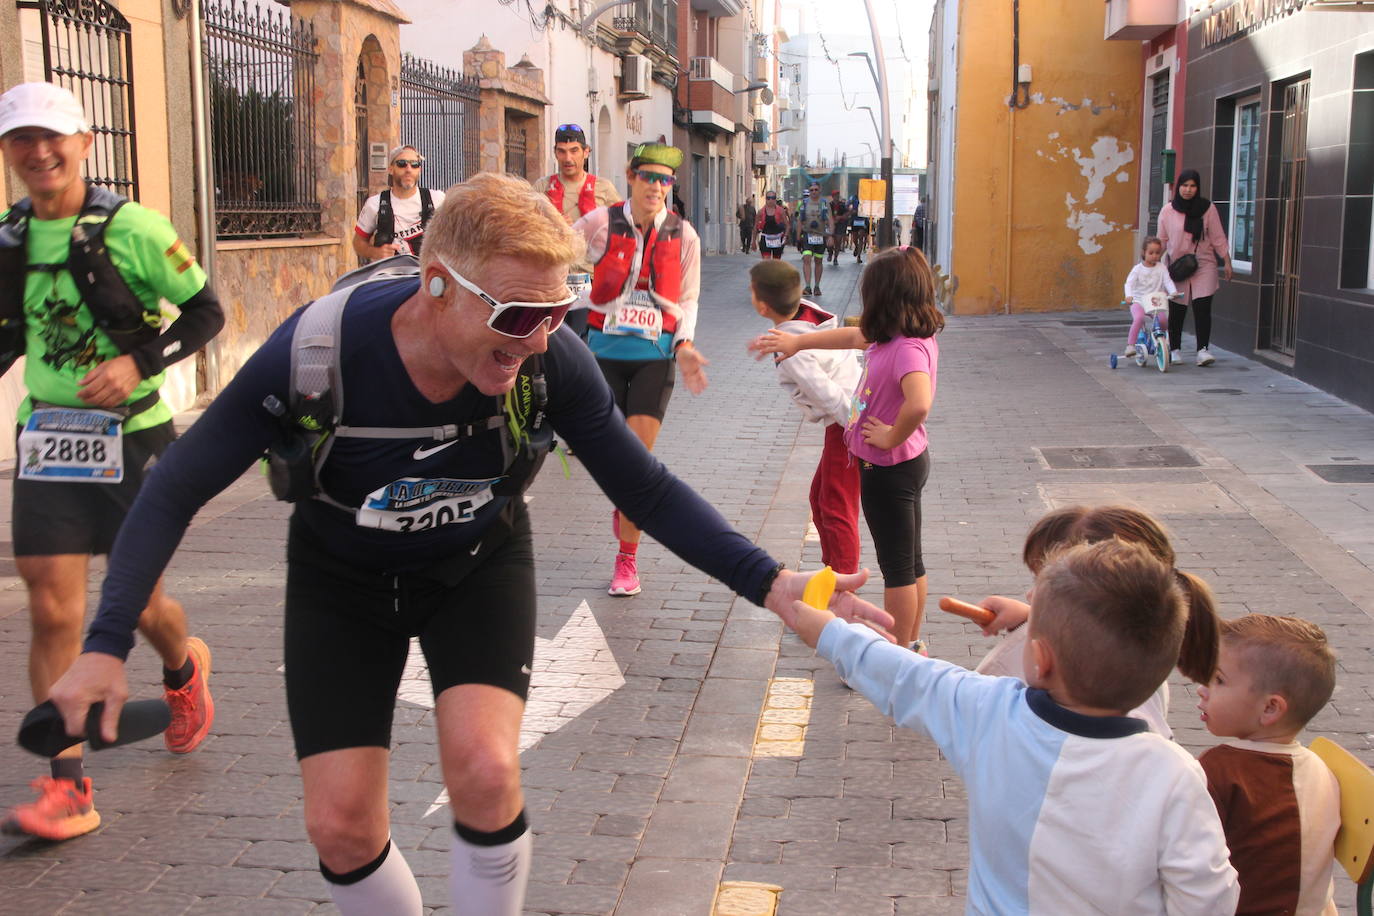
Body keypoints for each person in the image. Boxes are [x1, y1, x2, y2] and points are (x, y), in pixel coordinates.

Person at [44, 172, 893, 916]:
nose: (536, 342)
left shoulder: (549, 359)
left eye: (557, 313)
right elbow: (176, 487)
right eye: (519, 315)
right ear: (439, 285)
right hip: (341, 579)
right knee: (339, 827)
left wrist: (775, 584)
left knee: (486, 772)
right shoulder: (315, 351)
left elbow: (645, 488)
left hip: (476, 566)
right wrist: (105, 642)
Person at [0, 81, 224, 840]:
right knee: (52, 603)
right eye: (21, 140)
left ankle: (183, 665)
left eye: (52, 137)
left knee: (141, 604)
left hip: (134, 435)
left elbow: (206, 311)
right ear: (7, 153)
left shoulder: (136, 229)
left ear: (84, 143)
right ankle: (67, 786)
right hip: (48, 439)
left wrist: (138, 364)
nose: (39, 153)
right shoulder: (7, 238)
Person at [788, 538, 1240, 914]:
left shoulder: (990, 713)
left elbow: (905, 677)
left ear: (1040, 661)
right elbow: (1208, 896)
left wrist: (828, 631)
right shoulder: (1175, 773)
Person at [750, 247, 940, 651]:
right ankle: (912, 645)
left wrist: (890, 435)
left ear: (884, 297)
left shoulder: (906, 348)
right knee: (911, 562)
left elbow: (920, 401)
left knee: (899, 570)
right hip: (900, 463)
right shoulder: (897, 333)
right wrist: (799, 343)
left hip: (889, 467)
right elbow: (851, 336)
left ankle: (899, 655)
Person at [573, 143, 711, 597]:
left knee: (635, 465)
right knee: (613, 462)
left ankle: (627, 562)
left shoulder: (684, 235)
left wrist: (685, 344)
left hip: (655, 358)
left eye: (665, 180)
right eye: (648, 177)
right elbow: (561, 259)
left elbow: (688, 298)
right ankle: (625, 505)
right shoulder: (599, 224)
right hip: (602, 355)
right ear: (630, 177)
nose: (656, 186)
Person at [972, 504, 1222, 740]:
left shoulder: (1125, 711)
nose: (1031, 594)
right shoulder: (1137, 647)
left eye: (1045, 582)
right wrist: (1030, 615)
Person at [1197, 614, 1340, 916]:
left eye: (1219, 680)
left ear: (1270, 708)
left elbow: (1185, 859)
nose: (1203, 688)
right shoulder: (1319, 767)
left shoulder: (1221, 769)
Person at [748, 260, 861, 574]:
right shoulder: (805, 313)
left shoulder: (792, 354)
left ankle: (842, 582)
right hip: (848, 417)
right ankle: (833, 571)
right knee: (820, 498)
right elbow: (794, 326)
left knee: (836, 505)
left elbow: (825, 393)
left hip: (847, 424)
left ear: (761, 305)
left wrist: (855, 430)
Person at [531, 123, 621, 338]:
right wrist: (550, 224)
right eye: (561, 151)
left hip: (591, 280)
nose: (568, 158)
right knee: (554, 341)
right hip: (553, 280)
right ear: (555, 153)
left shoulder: (603, 188)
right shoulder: (541, 188)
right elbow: (526, 230)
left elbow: (622, 231)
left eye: (574, 151)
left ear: (585, 152)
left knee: (586, 341)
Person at [1158, 168, 1232, 367]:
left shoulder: (1208, 208)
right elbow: (1162, 241)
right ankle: (1174, 349)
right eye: (1184, 185)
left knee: (1202, 307)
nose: (1188, 190)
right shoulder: (1167, 210)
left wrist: (1227, 260)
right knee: (1177, 308)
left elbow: (1217, 237)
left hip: (1203, 263)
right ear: (1178, 187)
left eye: (1193, 186)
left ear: (1197, 188)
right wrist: (1151, 264)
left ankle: (1202, 350)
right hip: (1178, 265)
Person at [353, 145, 445, 262]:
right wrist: (376, 252)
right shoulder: (375, 204)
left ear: (419, 170)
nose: (408, 169)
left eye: (414, 164)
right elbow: (358, 242)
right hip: (390, 277)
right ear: (391, 169)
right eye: (402, 163)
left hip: (426, 276)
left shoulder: (437, 199)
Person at [1122, 236, 1177, 359]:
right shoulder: (1138, 269)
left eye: (1157, 253)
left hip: (1155, 301)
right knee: (1139, 318)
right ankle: (1130, 345)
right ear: (1143, 252)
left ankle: (1161, 341)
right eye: (1151, 253)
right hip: (1139, 301)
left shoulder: (1162, 268)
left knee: (1163, 321)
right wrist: (1129, 296)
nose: (1154, 256)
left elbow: (1167, 281)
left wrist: (1173, 292)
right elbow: (1129, 283)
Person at [792, 185, 833, 296]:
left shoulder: (825, 203)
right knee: (807, 259)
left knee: (818, 261)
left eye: (816, 190)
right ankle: (808, 286)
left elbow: (830, 220)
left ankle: (817, 286)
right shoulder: (804, 203)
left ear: (820, 190)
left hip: (820, 235)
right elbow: (800, 220)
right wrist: (798, 237)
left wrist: (830, 236)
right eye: (811, 190)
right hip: (807, 235)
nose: (814, 192)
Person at [755, 191, 789, 260]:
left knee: (776, 262)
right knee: (766, 261)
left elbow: (787, 225)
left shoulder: (781, 211)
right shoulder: (761, 212)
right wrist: (753, 241)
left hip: (777, 238)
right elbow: (755, 227)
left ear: (775, 199)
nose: (770, 200)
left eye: (773, 198)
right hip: (765, 238)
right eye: (768, 198)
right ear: (766, 199)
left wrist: (785, 237)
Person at [826, 190, 850, 264]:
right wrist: (831, 219)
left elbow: (847, 214)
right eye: (835, 195)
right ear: (833, 196)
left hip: (840, 225)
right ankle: (830, 253)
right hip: (831, 225)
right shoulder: (829, 205)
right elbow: (826, 214)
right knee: (830, 242)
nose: (837, 196)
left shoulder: (842, 205)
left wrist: (840, 217)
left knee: (838, 241)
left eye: (838, 195)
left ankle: (835, 258)